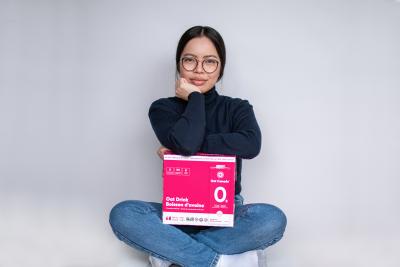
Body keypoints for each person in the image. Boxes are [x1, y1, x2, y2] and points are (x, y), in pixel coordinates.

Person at [109, 25, 287, 267]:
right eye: (190, 60)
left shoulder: (237, 108)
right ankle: (221, 261)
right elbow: (187, 142)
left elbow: (251, 145)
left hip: (226, 210)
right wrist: (195, 99)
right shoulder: (162, 108)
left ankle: (171, 252)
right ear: (179, 64)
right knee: (124, 214)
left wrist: (181, 147)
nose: (199, 70)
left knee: (272, 219)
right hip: (179, 209)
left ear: (221, 67)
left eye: (210, 62)